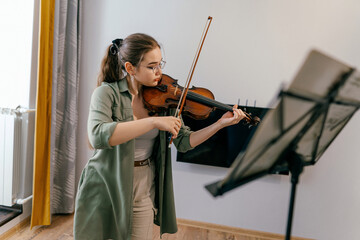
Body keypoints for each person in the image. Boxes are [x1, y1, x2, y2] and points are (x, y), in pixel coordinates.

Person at [73, 33, 246, 240]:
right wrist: (153, 122)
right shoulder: (107, 94)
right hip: (105, 183)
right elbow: (98, 136)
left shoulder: (163, 100)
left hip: (143, 185)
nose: (159, 72)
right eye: (151, 66)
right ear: (130, 68)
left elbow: (184, 142)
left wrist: (219, 124)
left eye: (160, 64)